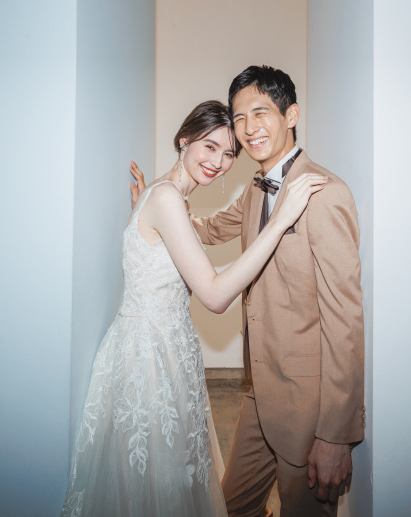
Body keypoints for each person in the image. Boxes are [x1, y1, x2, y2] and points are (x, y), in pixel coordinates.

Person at [61, 100, 327, 517]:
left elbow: (167, 240)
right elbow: (215, 297)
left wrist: (146, 203)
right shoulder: (166, 198)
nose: (218, 163)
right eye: (209, 146)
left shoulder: (167, 197)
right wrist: (279, 222)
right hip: (149, 359)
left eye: (228, 154)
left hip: (168, 350)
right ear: (184, 140)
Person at [130, 66, 364, 517]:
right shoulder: (256, 188)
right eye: (239, 117)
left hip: (307, 403)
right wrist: (154, 207)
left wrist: (335, 435)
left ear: (291, 115)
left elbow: (345, 320)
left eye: (261, 112)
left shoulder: (325, 193)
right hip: (258, 390)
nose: (248, 127)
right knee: (231, 505)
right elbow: (209, 228)